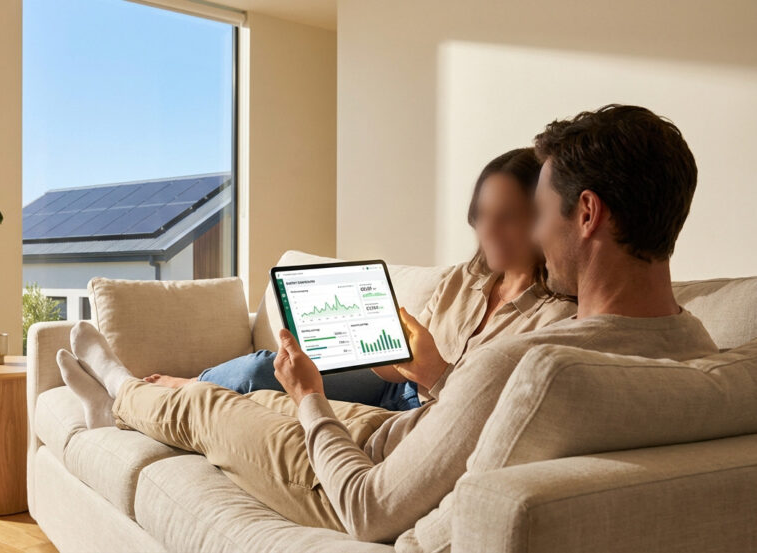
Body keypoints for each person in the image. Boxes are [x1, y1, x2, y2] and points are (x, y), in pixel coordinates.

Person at [57, 104, 718, 544]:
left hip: (378, 473)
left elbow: (371, 507)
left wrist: (314, 398)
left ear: (588, 214)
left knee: (210, 407)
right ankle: (126, 400)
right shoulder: (704, 353)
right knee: (257, 391)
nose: (538, 235)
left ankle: (114, 388)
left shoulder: (528, 362)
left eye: (541, 212)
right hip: (403, 429)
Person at [141, 148, 576, 412]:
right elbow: (398, 366)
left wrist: (434, 372)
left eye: (507, 219)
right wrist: (363, 340)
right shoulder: (466, 279)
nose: (488, 232)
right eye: (481, 217)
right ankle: (186, 385)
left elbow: (487, 411)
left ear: (541, 217)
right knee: (266, 364)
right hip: (394, 386)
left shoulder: (555, 315)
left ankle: (168, 392)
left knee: (279, 393)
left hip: (425, 413)